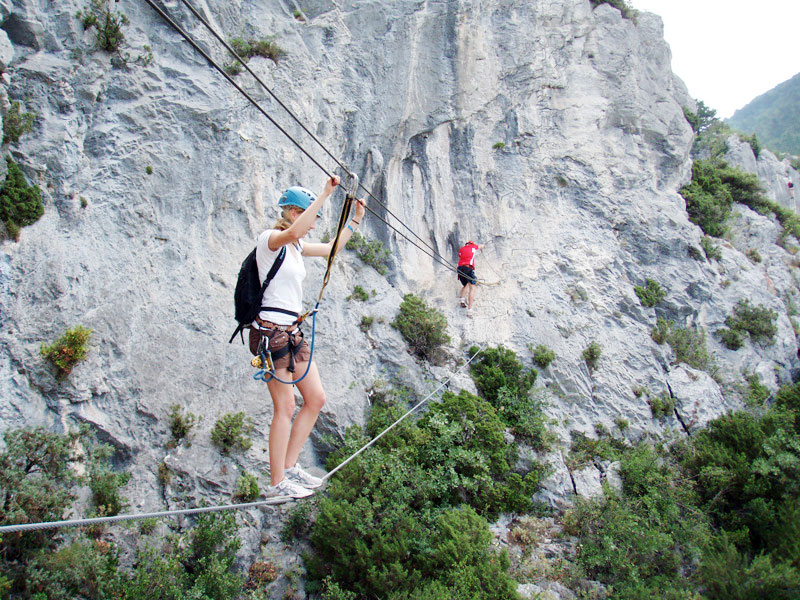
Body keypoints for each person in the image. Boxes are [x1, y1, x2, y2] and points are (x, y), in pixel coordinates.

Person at [251, 175, 366, 499]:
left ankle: (289, 467)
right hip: (270, 333)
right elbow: (294, 231)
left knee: (315, 398)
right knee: (285, 406)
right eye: (311, 218)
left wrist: (355, 221)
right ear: (292, 213)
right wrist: (326, 194)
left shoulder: (297, 246)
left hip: (291, 332)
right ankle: (276, 484)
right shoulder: (271, 239)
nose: (314, 225)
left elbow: (330, 249)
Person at [456, 240, 484, 317]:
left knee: (465, 284)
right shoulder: (473, 247)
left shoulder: (461, 249)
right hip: (468, 268)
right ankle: (470, 310)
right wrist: (483, 245)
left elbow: (460, 256)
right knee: (472, 287)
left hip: (460, 268)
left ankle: (462, 299)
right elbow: (480, 246)